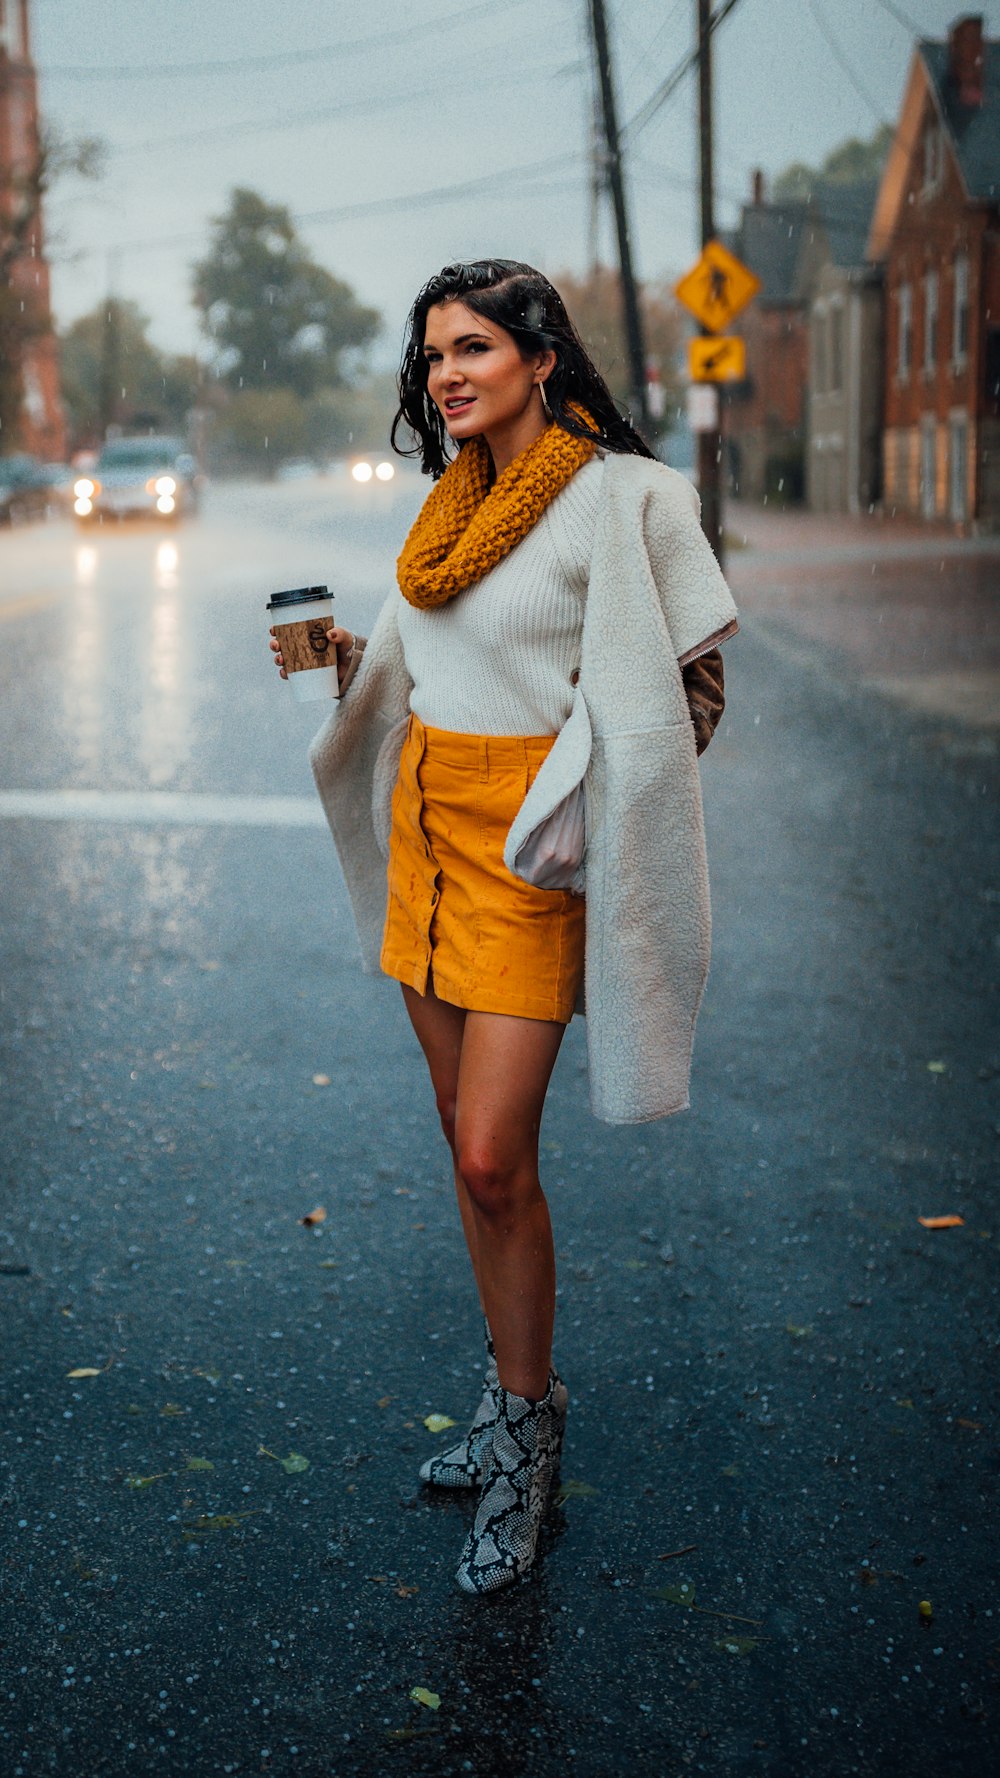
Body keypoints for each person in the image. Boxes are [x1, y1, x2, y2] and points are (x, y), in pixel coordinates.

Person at [269, 259, 738, 1596]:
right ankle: (507, 1398)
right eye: (430, 356)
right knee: (464, 1151)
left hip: (527, 851)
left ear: (542, 357)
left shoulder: (625, 500)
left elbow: (692, 691)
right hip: (427, 830)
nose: (446, 374)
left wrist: (591, 796)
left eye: (472, 346)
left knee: (492, 1155)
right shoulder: (443, 506)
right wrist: (353, 669)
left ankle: (532, 1448)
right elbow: (444, 662)